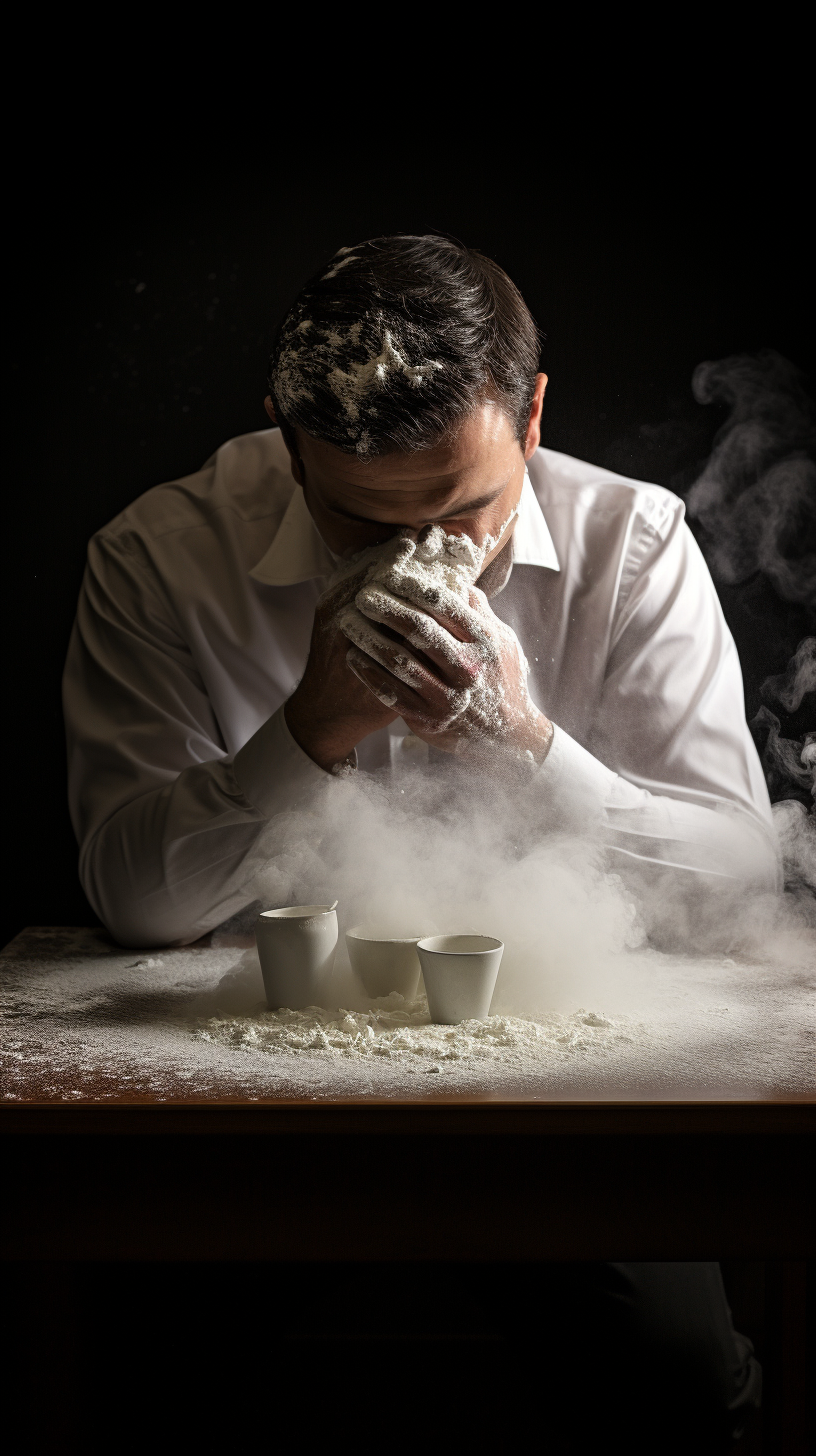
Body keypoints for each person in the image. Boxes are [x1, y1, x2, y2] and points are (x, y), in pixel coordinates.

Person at [64, 234, 766, 1448]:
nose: (410, 556)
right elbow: (134, 898)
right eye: (354, 520)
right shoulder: (158, 556)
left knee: (680, 1379)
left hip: (567, 1101)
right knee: (135, 1365)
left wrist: (529, 748)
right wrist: (312, 728)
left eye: (464, 511)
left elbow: (735, 894)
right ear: (286, 433)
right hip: (250, 1100)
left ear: (533, 414)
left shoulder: (635, 547)